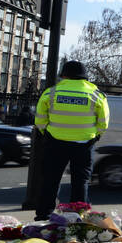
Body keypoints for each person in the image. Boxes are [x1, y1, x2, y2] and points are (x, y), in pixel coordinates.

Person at [33, 60, 110, 220]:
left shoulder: (51, 93)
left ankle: (43, 215)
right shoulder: (96, 94)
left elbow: (40, 120)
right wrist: (94, 136)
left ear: (64, 75)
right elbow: (103, 122)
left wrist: (47, 133)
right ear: (85, 77)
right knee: (80, 181)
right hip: (83, 144)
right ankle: (78, 216)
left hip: (55, 142)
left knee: (50, 179)